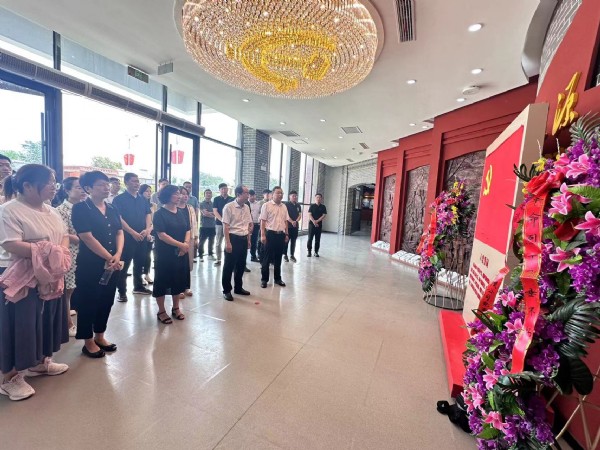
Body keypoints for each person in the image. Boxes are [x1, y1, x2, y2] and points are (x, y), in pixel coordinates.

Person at [0, 164, 70, 401]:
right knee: (20, 324)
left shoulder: (52, 211)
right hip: (20, 276)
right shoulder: (9, 210)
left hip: (50, 273)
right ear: (27, 185)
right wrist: (48, 252)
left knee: (45, 318)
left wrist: (58, 256)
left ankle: (39, 362)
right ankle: (9, 378)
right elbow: (11, 244)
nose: (53, 186)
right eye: (48, 182)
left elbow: (63, 236)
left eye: (54, 181)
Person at [71, 171, 124, 358]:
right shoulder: (80, 208)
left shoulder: (112, 208)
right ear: (88, 188)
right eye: (101, 184)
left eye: (107, 184)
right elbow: (86, 237)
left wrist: (118, 254)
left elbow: (119, 232)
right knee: (88, 301)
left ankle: (100, 336)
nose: (106, 187)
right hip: (90, 265)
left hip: (113, 264)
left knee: (106, 300)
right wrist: (109, 257)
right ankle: (88, 342)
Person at [152, 185, 190, 324]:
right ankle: (161, 311)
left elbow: (188, 229)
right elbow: (162, 235)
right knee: (162, 281)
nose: (179, 196)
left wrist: (185, 244)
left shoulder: (181, 212)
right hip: (165, 254)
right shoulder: (159, 214)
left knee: (178, 280)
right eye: (176, 194)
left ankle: (176, 308)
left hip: (181, 253)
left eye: (179, 193)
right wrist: (181, 245)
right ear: (167, 196)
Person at [112, 172, 152, 301]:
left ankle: (138, 286)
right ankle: (122, 292)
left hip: (142, 236)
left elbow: (148, 214)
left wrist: (147, 229)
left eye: (138, 181)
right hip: (126, 237)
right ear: (126, 182)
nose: (137, 183)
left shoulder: (142, 199)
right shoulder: (119, 199)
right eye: (134, 181)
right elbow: (118, 218)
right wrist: (132, 232)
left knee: (139, 263)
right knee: (124, 265)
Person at [55, 177, 87, 337]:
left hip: (86, 252)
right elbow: (64, 234)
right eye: (78, 187)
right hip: (71, 253)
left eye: (83, 187)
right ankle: (67, 324)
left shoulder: (86, 207)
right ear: (67, 190)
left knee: (77, 287)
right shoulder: (61, 210)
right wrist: (87, 238)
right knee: (68, 288)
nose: (82, 190)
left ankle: (68, 313)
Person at [221, 185, 252, 301]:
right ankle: (226, 290)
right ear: (238, 194)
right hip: (233, 238)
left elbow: (248, 225)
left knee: (241, 265)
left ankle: (238, 288)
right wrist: (228, 243)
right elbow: (225, 226)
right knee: (229, 266)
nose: (248, 195)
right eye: (246, 193)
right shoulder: (228, 207)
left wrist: (248, 239)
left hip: (243, 238)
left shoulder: (246, 207)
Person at [260, 186, 290, 288]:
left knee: (278, 258)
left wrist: (286, 234)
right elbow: (263, 221)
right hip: (270, 234)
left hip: (281, 235)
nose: (280, 195)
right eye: (278, 193)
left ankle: (278, 279)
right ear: (272, 194)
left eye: (281, 193)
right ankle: (264, 279)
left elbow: (286, 221)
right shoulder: (266, 205)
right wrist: (262, 235)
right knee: (267, 258)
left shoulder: (284, 206)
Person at [177, 186, 197, 297]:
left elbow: (194, 223)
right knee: (178, 264)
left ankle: (186, 287)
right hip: (177, 239)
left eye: (186, 194)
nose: (185, 196)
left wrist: (196, 237)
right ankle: (178, 288)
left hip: (189, 238)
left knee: (187, 264)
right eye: (182, 193)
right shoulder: (174, 208)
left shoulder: (190, 208)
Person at [212, 183, 234, 267]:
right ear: (219, 190)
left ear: (227, 189)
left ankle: (228, 258)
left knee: (228, 241)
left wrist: (227, 222)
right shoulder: (216, 199)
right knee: (218, 242)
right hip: (219, 224)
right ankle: (218, 259)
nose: (224, 190)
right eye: (222, 189)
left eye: (225, 188)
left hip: (230, 224)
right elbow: (215, 211)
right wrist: (223, 220)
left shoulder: (231, 199)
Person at [139, 184, 156, 285]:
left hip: (150, 231)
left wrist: (149, 231)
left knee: (148, 255)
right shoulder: (138, 204)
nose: (149, 193)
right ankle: (139, 276)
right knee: (140, 255)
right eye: (146, 191)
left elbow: (154, 220)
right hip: (140, 232)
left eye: (150, 191)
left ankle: (147, 274)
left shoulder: (153, 205)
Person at [283, 190, 302, 262]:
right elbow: (286, 215)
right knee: (286, 241)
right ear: (289, 197)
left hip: (295, 226)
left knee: (293, 241)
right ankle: (285, 255)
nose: (295, 197)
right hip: (288, 227)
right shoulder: (286, 205)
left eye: (296, 196)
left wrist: (296, 221)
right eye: (293, 196)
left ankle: (292, 255)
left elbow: (299, 215)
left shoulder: (298, 205)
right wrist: (291, 221)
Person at [307, 193, 327, 257]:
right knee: (310, 238)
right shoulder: (312, 206)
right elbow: (309, 214)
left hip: (319, 225)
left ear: (321, 198)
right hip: (311, 225)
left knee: (317, 239)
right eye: (317, 197)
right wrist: (314, 222)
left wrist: (317, 221)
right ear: (315, 198)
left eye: (319, 197)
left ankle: (316, 252)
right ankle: (309, 252)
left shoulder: (323, 207)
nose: (318, 198)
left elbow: (324, 215)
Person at [198, 189, 215, 262]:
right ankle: (200, 255)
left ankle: (210, 254)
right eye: (207, 193)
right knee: (202, 241)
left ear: (211, 195)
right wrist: (211, 213)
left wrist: (209, 213)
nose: (208, 194)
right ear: (204, 195)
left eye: (210, 193)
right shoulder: (201, 204)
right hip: (204, 226)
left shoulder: (214, 204)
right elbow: (204, 214)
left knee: (211, 241)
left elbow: (215, 214)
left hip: (212, 226)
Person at [248, 189, 262, 262]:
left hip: (256, 225)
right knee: (245, 241)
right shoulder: (246, 203)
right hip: (247, 225)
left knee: (254, 241)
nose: (252, 197)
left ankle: (253, 256)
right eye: (251, 196)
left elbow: (261, 213)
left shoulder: (258, 204)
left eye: (254, 195)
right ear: (248, 196)